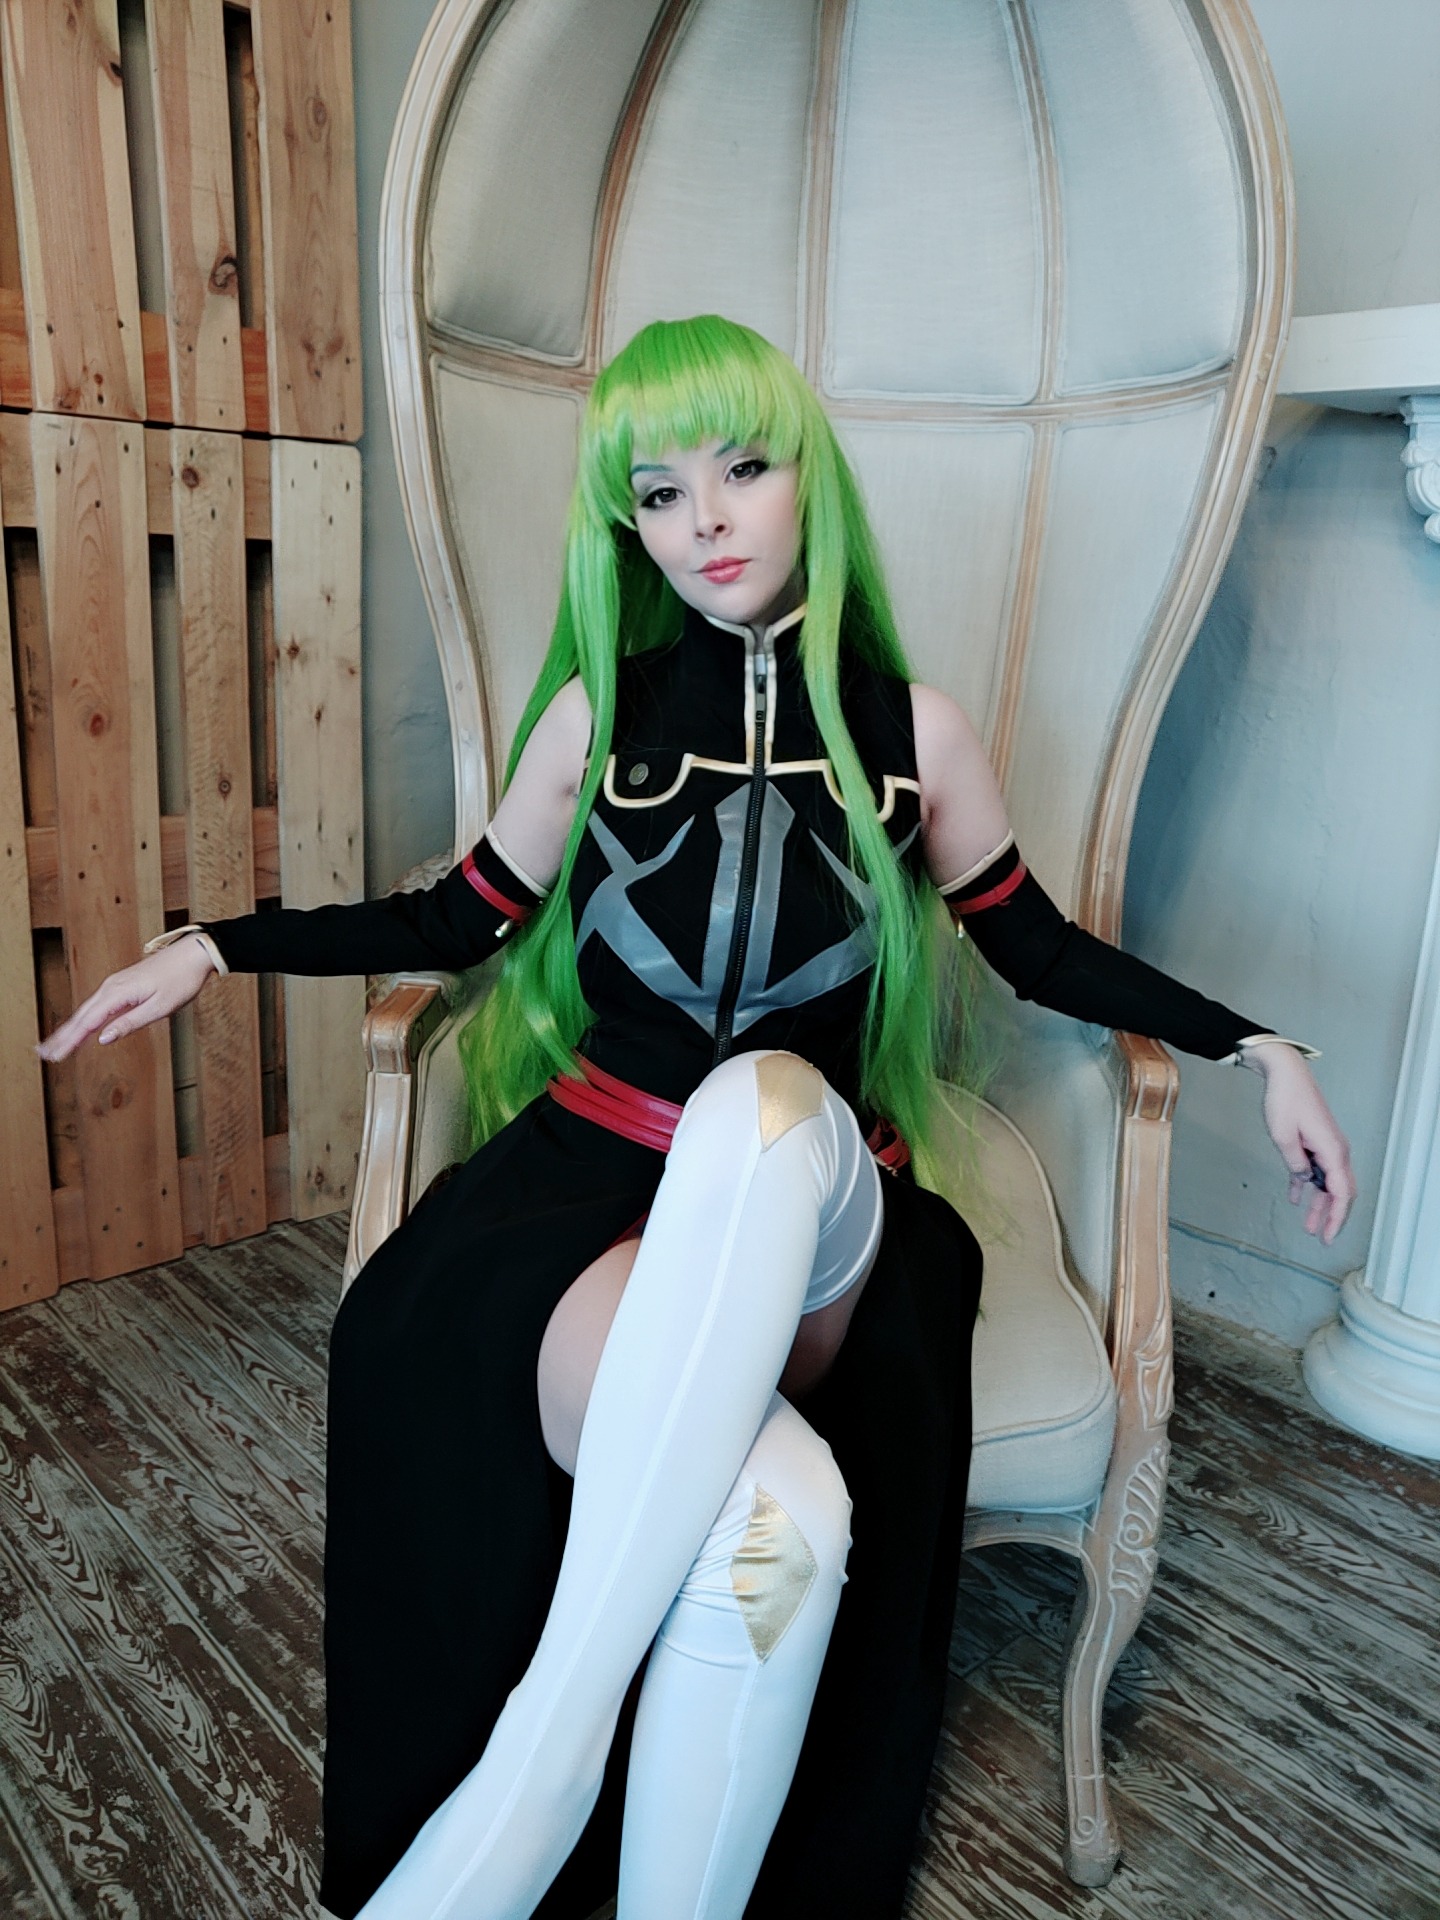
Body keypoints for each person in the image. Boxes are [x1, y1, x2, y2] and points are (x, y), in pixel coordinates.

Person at [39, 314, 1355, 1920]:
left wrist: (1256, 1043)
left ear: (811, 481)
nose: (705, 521)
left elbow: (1043, 949)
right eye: (659, 494)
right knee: (777, 1526)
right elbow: (453, 919)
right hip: (600, 1189)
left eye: (743, 469)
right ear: (629, 526)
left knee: (763, 1101)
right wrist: (214, 947)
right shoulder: (598, 718)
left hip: (830, 1212)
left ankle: (540, 1760)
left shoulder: (916, 735)